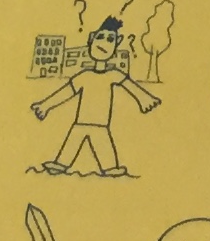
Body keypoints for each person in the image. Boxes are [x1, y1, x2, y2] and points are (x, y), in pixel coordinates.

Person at [29, 15, 159, 174]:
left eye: (110, 40)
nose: (104, 43)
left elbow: (131, 87)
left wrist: (145, 99)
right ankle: (61, 164)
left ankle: (111, 169)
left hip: (100, 124)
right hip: (81, 122)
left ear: (117, 43)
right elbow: (66, 92)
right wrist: (45, 105)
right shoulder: (84, 76)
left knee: (103, 145)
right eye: (100, 37)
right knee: (72, 143)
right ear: (92, 38)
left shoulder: (113, 74)